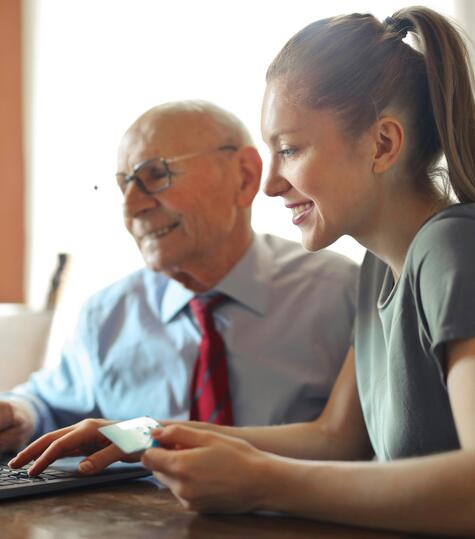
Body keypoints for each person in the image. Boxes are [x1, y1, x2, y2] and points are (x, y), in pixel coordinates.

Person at [10, 6, 475, 537]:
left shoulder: (451, 247)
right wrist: (144, 433)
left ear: (383, 144)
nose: (271, 184)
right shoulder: (377, 270)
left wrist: (262, 483)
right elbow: (334, 437)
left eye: (290, 149)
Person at [0, 101, 357, 455]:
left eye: (155, 175)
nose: (130, 207)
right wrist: (21, 415)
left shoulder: (343, 293)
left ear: (244, 176)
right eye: (124, 185)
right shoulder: (107, 314)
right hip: (134, 513)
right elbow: (47, 404)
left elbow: (354, 444)